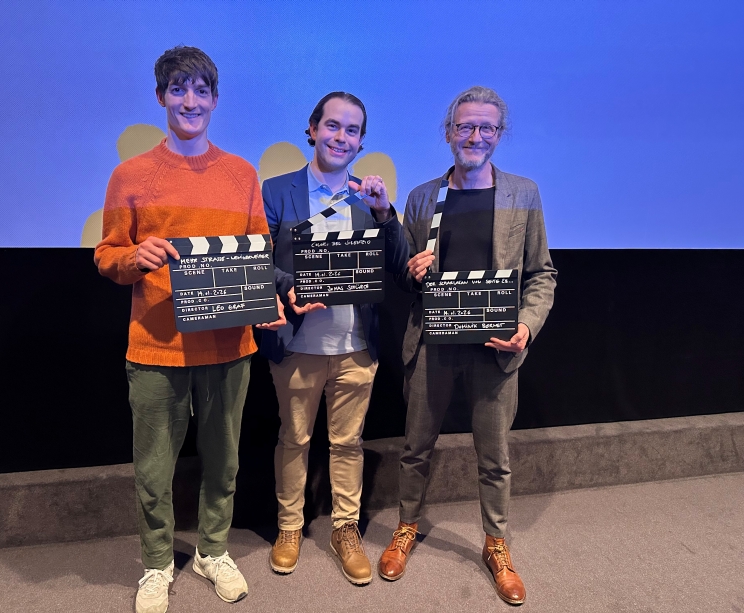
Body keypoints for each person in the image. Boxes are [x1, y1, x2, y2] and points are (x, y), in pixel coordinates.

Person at [94, 45, 284, 613]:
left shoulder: (242, 174)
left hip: (229, 345)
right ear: (160, 98)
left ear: (215, 100)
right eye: (178, 89)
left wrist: (264, 301)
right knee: (154, 466)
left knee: (224, 459)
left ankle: (212, 549)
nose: (190, 101)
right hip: (155, 347)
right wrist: (134, 257)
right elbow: (106, 255)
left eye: (201, 90)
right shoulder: (130, 175)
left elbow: (259, 255)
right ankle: (156, 563)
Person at [378, 86, 556, 605]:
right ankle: (407, 525)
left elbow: (542, 274)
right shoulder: (421, 197)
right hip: (432, 342)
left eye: (487, 128)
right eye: (465, 127)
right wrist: (412, 270)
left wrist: (526, 324)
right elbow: (405, 277)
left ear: (499, 134)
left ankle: (496, 543)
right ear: (448, 131)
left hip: (497, 346)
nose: (475, 137)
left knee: (494, 456)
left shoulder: (523, 193)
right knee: (415, 449)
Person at [260, 92, 409, 585]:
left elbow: (399, 265)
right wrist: (289, 286)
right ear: (312, 129)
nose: (341, 137)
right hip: (297, 346)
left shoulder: (368, 199)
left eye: (352, 130)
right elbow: (261, 260)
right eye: (332, 126)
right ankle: (289, 526)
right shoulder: (277, 190)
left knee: (348, 442)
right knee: (294, 439)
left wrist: (387, 214)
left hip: (356, 347)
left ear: (361, 141)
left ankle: (345, 529)